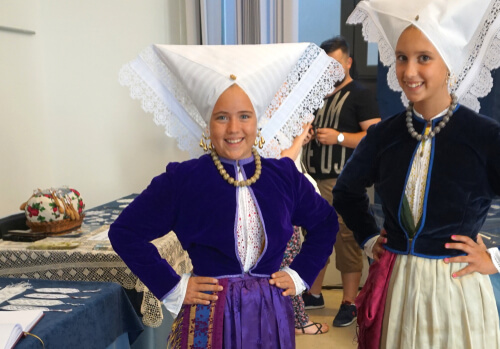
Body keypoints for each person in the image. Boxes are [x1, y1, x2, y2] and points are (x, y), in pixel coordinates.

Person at [110, 43, 343, 348]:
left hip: (269, 315)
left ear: (257, 120)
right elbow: (125, 232)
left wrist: (300, 274)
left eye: (244, 116)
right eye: (222, 117)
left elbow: (326, 222)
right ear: (208, 122)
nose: (234, 128)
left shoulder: (283, 175)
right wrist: (173, 287)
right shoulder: (185, 179)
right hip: (209, 313)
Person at [333, 1, 500, 348]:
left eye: (424, 58)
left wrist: (493, 258)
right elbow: (346, 190)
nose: (409, 71)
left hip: (455, 288)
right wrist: (368, 239)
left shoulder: (483, 136)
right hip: (396, 284)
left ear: (448, 64)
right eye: (401, 58)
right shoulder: (385, 135)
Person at [302, 35, 380, 327]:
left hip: (344, 180)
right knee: (316, 236)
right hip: (313, 179)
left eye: (335, 65)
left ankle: (349, 302)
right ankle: (314, 293)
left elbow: (375, 135)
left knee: (346, 237)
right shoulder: (319, 94)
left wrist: (338, 137)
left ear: (348, 62)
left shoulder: (360, 94)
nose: (330, 71)